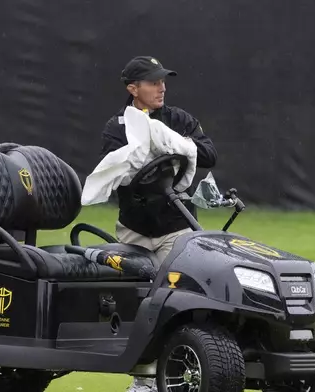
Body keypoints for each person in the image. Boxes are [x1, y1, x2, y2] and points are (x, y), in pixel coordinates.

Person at [99, 56, 218, 391]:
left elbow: (208, 154)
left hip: (175, 230)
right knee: (138, 304)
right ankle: (142, 379)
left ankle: (177, 371)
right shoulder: (116, 127)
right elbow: (122, 173)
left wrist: (178, 145)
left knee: (175, 302)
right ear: (132, 88)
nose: (161, 87)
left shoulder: (178, 120)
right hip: (133, 231)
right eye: (153, 82)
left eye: (163, 81)